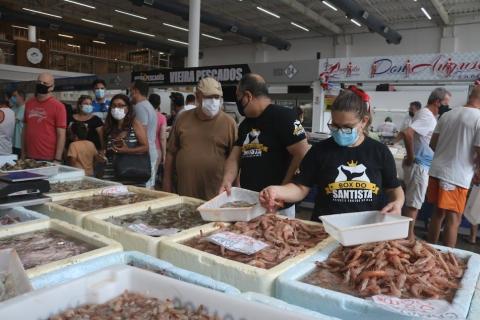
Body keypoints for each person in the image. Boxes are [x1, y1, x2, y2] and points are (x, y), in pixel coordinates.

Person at [259, 87, 404, 220]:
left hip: (365, 229)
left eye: (347, 127)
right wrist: (277, 191)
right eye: (335, 126)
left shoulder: (379, 152)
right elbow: (301, 188)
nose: (340, 131)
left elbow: (394, 188)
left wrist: (397, 203)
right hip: (326, 230)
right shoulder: (320, 151)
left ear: (363, 121)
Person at [219, 73, 310, 217]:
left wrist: (282, 190)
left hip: (277, 205)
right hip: (251, 201)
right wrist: (227, 180)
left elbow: (303, 153)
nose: (238, 103)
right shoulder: (245, 124)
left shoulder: (283, 117)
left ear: (248, 96)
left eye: (238, 98)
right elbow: (234, 157)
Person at [163, 77, 237, 200]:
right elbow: (171, 153)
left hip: (216, 195)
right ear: (197, 97)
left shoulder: (229, 123)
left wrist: (236, 189)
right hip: (185, 194)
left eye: (217, 97)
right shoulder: (182, 119)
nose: (213, 101)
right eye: (208, 97)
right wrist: (166, 184)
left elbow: (235, 159)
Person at [427, 86, 480, 248]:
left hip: (437, 170)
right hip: (457, 176)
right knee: (453, 220)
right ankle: (448, 262)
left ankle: (430, 253)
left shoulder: (448, 114)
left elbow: (433, 143)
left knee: (437, 214)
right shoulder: (479, 117)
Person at [402, 88, 451, 240]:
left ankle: (407, 234)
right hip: (419, 165)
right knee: (414, 204)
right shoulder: (427, 116)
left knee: (413, 201)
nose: (447, 107)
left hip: (422, 164)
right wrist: (411, 156)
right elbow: (407, 133)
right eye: (445, 103)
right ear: (437, 101)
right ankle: (408, 237)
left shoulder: (426, 115)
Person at [103, 94, 149, 182]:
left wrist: (126, 150)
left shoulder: (135, 124)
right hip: (111, 174)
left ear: (128, 108)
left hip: (132, 173)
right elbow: (105, 150)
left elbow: (145, 147)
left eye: (121, 105)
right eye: (114, 105)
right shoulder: (108, 127)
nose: (116, 108)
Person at [22, 72, 66, 162]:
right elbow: (25, 129)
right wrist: (23, 152)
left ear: (52, 87)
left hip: (48, 158)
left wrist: (57, 159)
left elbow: (61, 134)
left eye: (45, 83)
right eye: (39, 82)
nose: (41, 85)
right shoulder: (29, 103)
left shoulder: (58, 106)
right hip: (29, 156)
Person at [130, 80, 158, 188]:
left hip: (144, 155)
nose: (130, 93)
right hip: (150, 153)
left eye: (130, 90)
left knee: (144, 189)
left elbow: (142, 133)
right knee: (149, 187)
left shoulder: (140, 107)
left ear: (136, 91)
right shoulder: (148, 106)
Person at [148, 93, 167, 176]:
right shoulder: (162, 117)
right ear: (159, 104)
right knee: (153, 176)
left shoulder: (143, 115)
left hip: (143, 149)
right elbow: (162, 138)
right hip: (156, 150)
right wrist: (164, 154)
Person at [8, 89, 26, 156]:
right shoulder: (13, 107)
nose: (12, 98)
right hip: (12, 142)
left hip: (20, 143)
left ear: (21, 97)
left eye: (15, 96)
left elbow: (13, 121)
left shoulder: (24, 108)